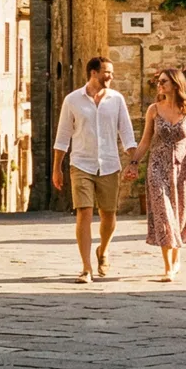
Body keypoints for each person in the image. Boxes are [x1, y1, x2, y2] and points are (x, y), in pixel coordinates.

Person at [52, 56, 137, 284]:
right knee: (84, 212)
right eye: (106, 72)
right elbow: (62, 137)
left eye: (111, 72)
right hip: (81, 164)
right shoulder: (72, 101)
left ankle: (103, 250)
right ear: (93, 73)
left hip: (109, 164)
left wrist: (134, 161)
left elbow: (127, 134)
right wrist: (57, 168)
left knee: (109, 215)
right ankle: (86, 267)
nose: (110, 76)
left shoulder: (116, 100)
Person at [126, 68, 186, 282]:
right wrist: (133, 163)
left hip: (183, 167)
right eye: (159, 82)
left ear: (176, 84)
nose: (159, 85)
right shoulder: (154, 110)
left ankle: (177, 259)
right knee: (163, 213)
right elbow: (145, 141)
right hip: (157, 166)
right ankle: (168, 265)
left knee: (179, 213)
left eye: (164, 82)